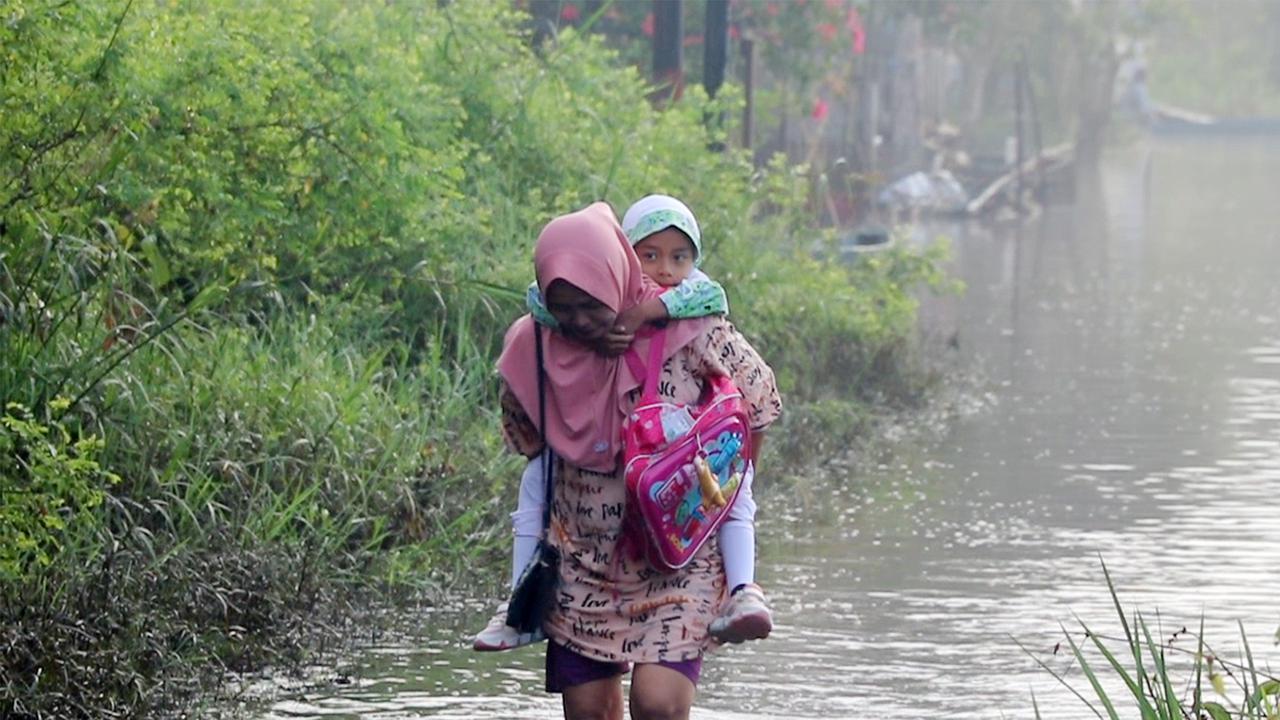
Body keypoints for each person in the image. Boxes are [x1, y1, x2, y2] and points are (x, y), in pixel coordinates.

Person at [493, 202, 781, 718]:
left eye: (594, 305)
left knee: (659, 706)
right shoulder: (534, 343)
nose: (580, 322)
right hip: (582, 565)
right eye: (568, 308)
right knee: (589, 713)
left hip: (675, 560)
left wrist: (722, 496)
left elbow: (758, 405)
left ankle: (744, 587)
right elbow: (526, 438)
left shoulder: (693, 326)